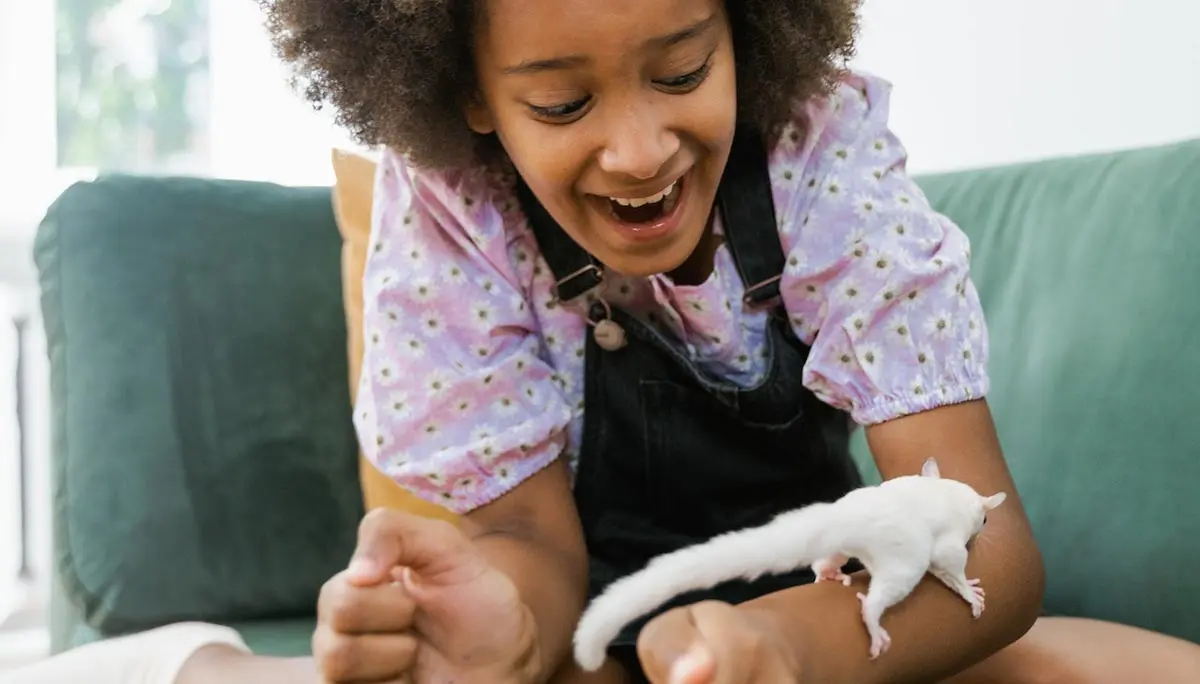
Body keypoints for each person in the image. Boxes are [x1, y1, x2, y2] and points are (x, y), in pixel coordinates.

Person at [6, 0, 1200, 683]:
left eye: (682, 68)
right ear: (468, 91)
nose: (638, 151)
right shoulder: (452, 213)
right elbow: (532, 545)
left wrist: (778, 650)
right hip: (593, 644)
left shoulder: (818, 159)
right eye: (562, 104)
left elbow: (987, 550)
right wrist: (501, 623)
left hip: (836, 625)